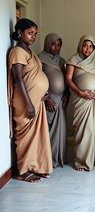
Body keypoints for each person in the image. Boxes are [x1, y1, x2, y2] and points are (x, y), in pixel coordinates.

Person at [8, 18, 52, 182]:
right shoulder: (17, 52)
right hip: (26, 102)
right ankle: (22, 171)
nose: (33, 36)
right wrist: (29, 103)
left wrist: (44, 93)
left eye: (35, 34)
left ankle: (35, 166)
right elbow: (18, 79)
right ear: (20, 33)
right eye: (30, 33)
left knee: (37, 136)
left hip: (36, 101)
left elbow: (33, 76)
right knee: (25, 137)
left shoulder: (29, 52)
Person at [66, 35, 95, 171]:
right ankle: (81, 161)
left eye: (91, 46)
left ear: (94, 48)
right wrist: (80, 92)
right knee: (83, 131)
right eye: (85, 45)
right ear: (80, 45)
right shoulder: (73, 60)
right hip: (81, 99)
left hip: (94, 100)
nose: (87, 49)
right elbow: (68, 79)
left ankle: (93, 160)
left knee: (92, 130)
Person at [38, 33, 69, 168]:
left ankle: (58, 158)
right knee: (47, 131)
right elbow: (37, 80)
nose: (56, 47)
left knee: (60, 132)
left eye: (59, 44)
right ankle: (47, 161)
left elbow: (67, 79)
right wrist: (47, 98)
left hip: (61, 100)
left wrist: (66, 95)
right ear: (47, 44)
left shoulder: (62, 61)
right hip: (48, 100)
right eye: (53, 44)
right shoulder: (40, 59)